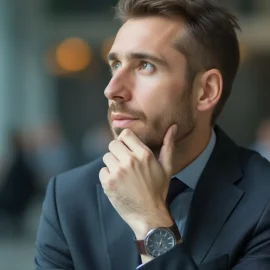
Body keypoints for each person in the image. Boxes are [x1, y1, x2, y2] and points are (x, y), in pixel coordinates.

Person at [35, 0, 270, 269]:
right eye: (115, 65)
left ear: (205, 91)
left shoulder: (264, 200)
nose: (112, 89)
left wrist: (150, 221)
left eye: (145, 65)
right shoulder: (68, 198)